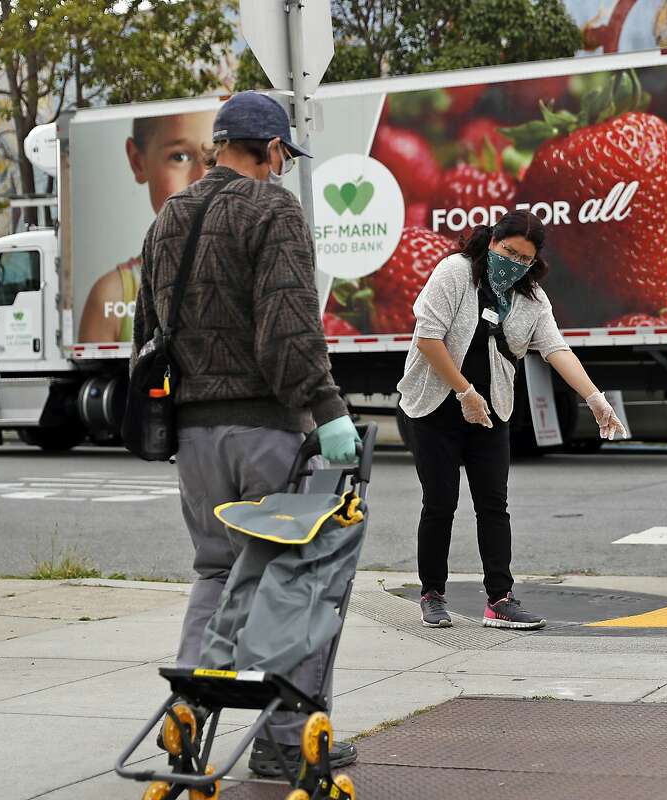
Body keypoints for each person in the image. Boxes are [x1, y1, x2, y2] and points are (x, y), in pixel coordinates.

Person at [131, 92, 362, 777]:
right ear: (268, 149)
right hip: (264, 427)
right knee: (296, 578)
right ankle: (286, 740)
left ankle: (189, 719)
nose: (281, 168)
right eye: (283, 156)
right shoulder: (272, 208)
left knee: (214, 574)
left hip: (195, 434)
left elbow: (148, 331)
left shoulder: (169, 216)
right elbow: (288, 326)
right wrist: (327, 407)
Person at [397, 211, 627, 630]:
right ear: (491, 242)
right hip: (434, 405)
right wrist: (464, 392)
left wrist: (594, 398)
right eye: (509, 252)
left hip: (492, 408)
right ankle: (432, 594)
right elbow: (428, 338)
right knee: (440, 502)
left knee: (494, 505)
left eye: (524, 259)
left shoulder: (532, 298)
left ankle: (499, 599)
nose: (514, 263)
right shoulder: (455, 272)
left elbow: (557, 349)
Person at [80, 111, 215, 343]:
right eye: (179, 157)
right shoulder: (112, 294)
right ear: (137, 161)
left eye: (215, 157)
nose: (201, 179)